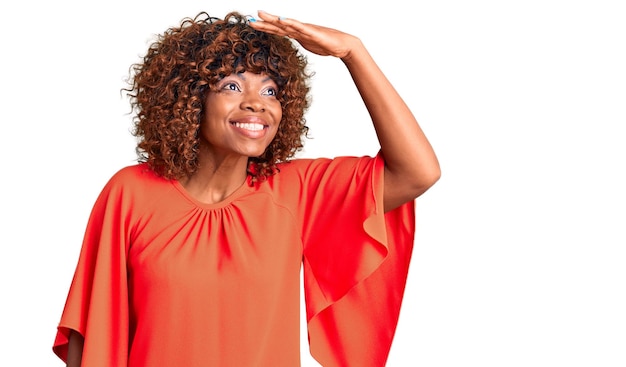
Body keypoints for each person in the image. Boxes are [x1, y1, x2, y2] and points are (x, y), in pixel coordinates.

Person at [52, 9, 440, 367]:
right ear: (191, 98)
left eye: (271, 91)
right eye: (233, 86)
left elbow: (417, 171)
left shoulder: (294, 192)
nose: (257, 104)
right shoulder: (131, 193)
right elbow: (90, 337)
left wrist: (353, 53)